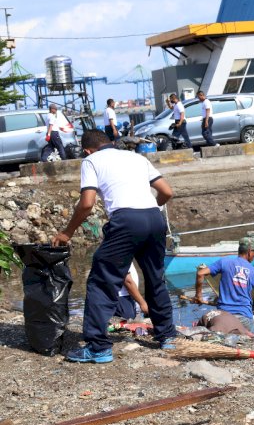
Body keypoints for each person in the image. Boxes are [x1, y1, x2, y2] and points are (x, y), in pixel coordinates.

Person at [52, 130, 177, 363]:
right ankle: (167, 336)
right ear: (110, 143)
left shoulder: (91, 160)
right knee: (155, 277)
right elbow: (167, 192)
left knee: (102, 281)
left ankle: (98, 347)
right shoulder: (137, 157)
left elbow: (87, 203)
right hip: (154, 217)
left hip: (126, 221)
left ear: (87, 149)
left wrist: (67, 232)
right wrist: (149, 211)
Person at [195, 237, 254, 334]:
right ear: (249, 252)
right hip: (244, 318)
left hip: (224, 316)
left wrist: (198, 296)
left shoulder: (224, 262)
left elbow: (200, 273)